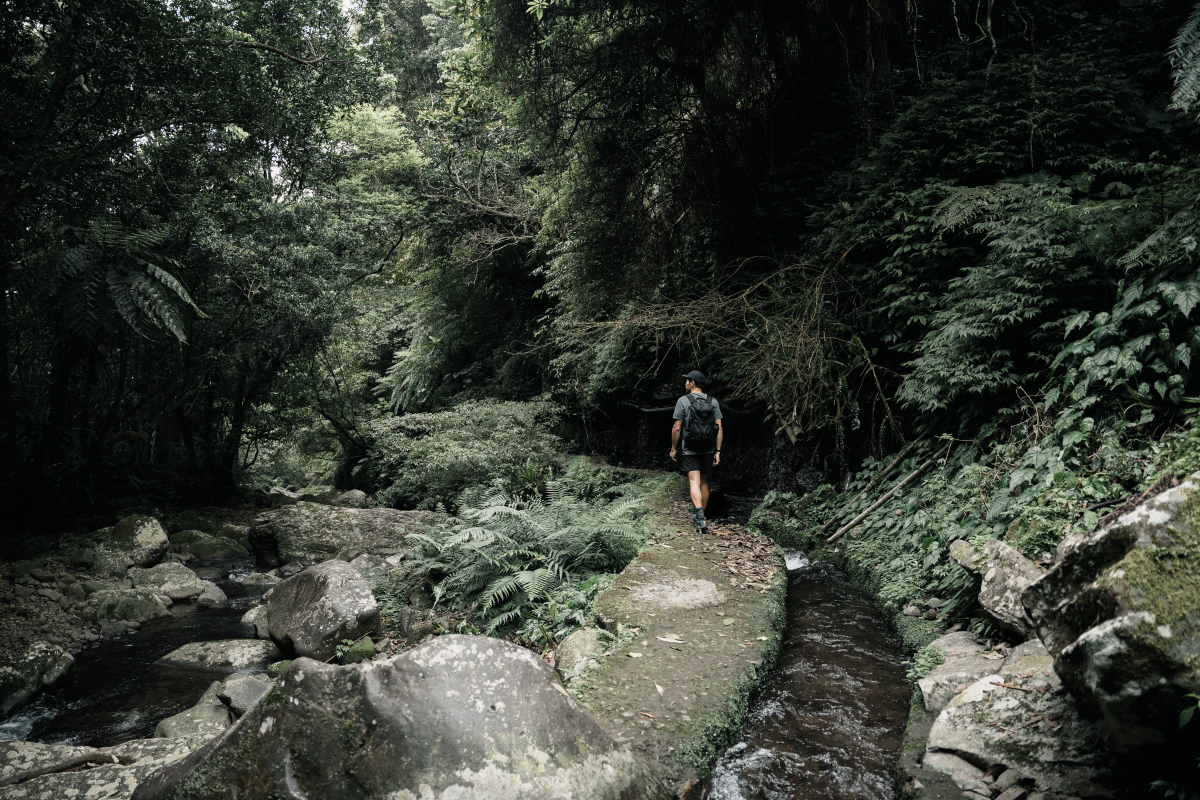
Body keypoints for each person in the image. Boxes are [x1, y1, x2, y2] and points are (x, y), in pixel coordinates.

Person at [669, 370, 723, 532]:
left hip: (690, 448)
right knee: (704, 482)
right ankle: (701, 516)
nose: (685, 383)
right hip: (708, 448)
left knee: (694, 482)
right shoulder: (713, 402)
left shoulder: (683, 401)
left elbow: (677, 427)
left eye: (687, 380)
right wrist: (717, 451)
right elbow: (719, 428)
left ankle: (699, 518)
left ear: (693, 383)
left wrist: (673, 449)